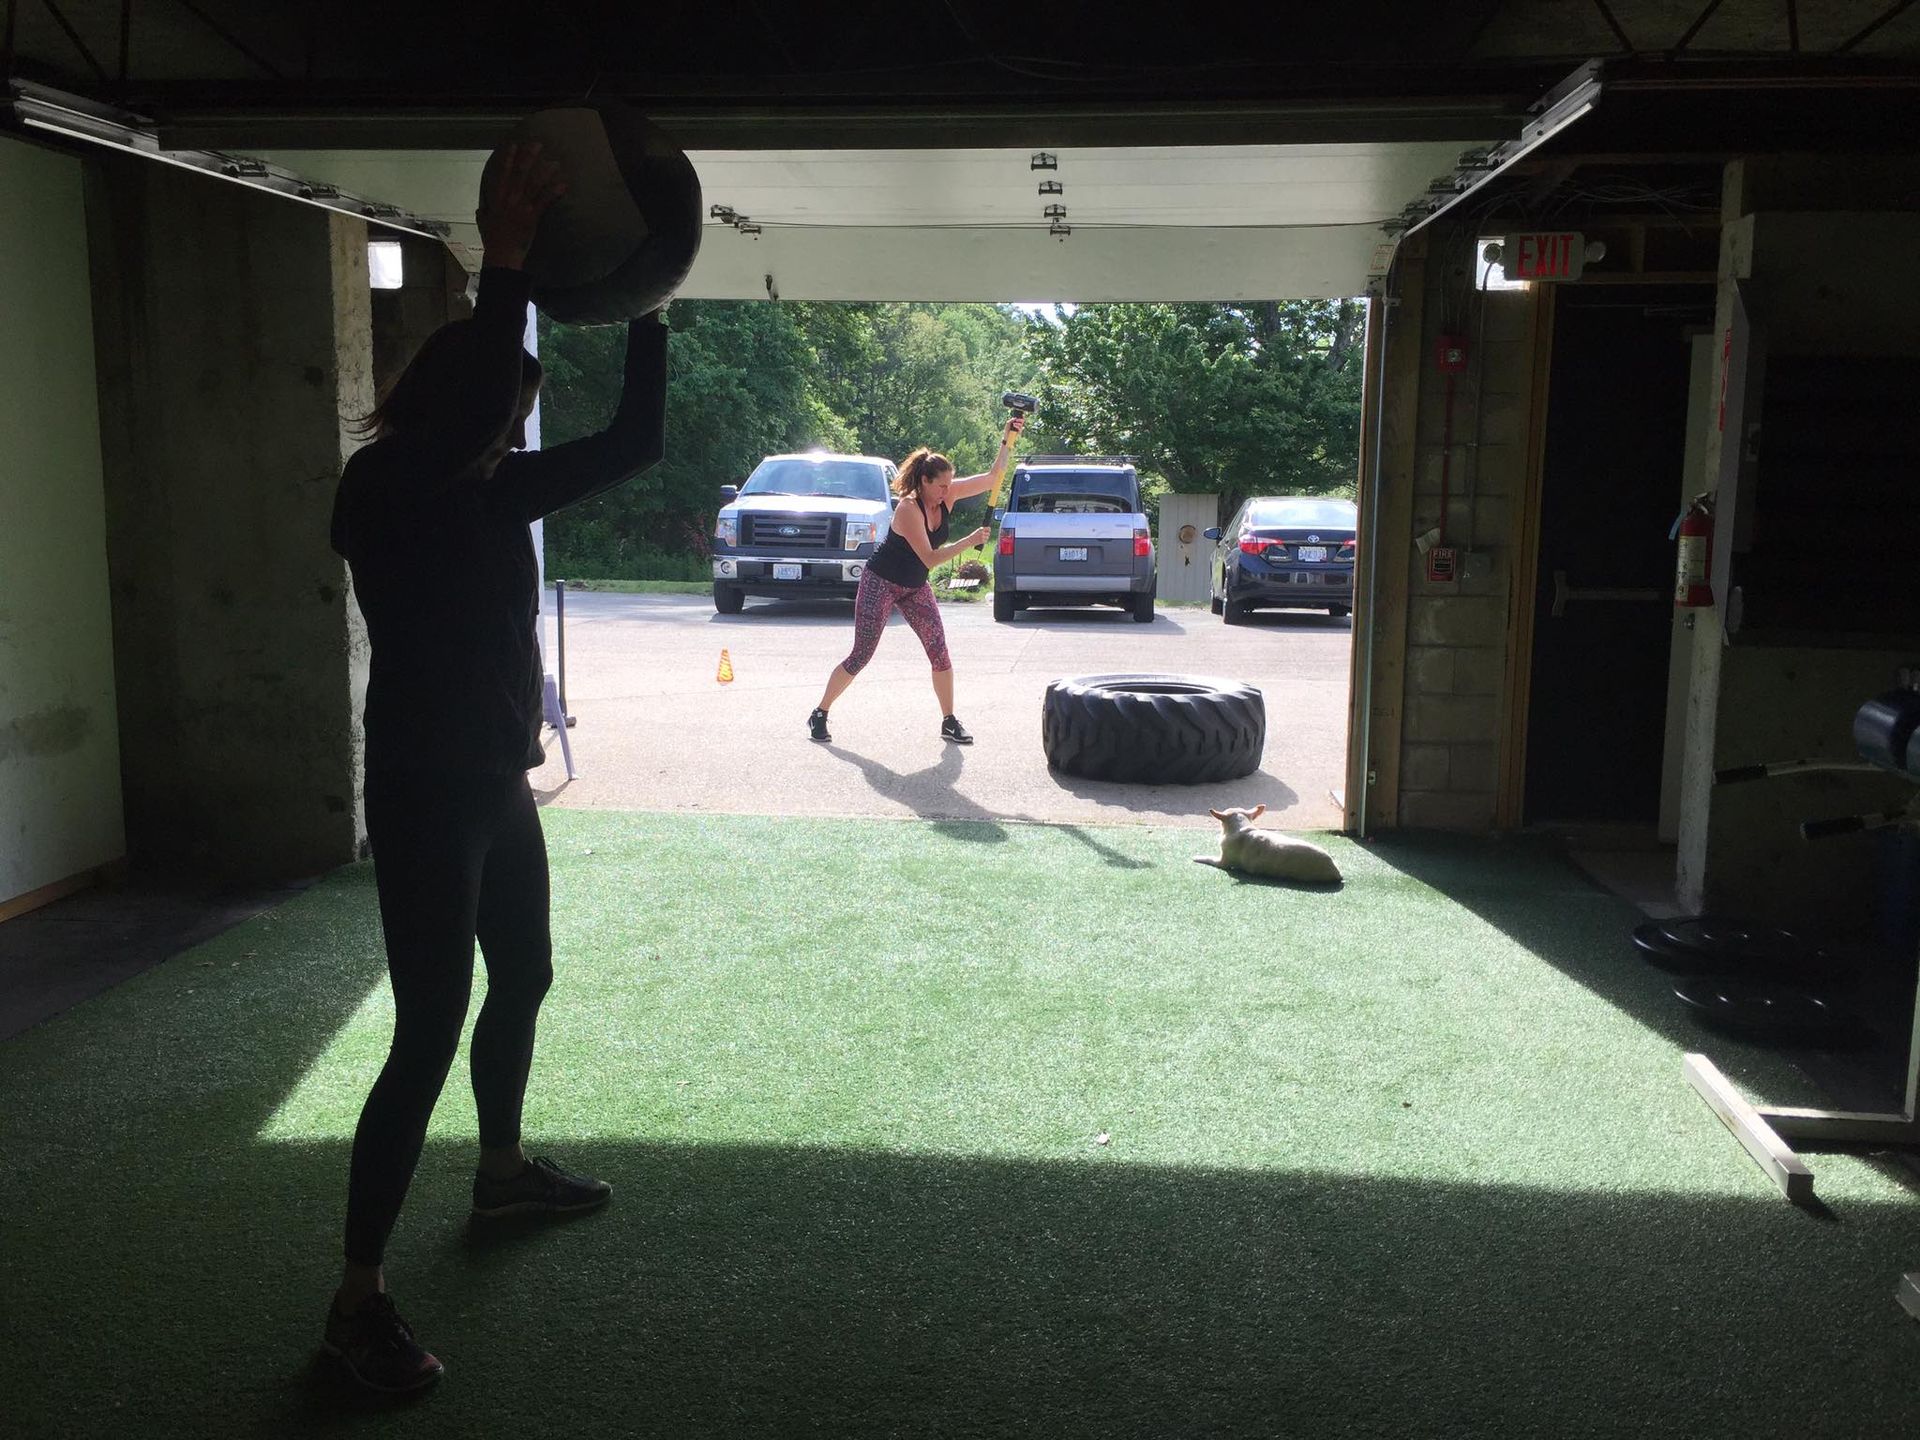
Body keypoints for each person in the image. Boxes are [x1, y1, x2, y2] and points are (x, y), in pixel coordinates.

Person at [321, 142, 668, 1394]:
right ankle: (354, 1304)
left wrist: (649, 300)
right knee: (426, 1028)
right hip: (421, 792)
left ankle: (504, 1170)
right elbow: (472, 411)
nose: (517, 425)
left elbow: (635, 440)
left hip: (493, 787)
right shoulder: (389, 487)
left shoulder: (487, 483)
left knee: (523, 970)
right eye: (509, 406)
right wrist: (506, 263)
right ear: (462, 401)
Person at [807, 416, 1025, 745]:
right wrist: (969, 540)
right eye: (940, 486)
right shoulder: (908, 509)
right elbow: (931, 558)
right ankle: (820, 712)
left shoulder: (946, 496)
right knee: (861, 654)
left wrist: (1007, 439)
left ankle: (949, 720)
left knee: (939, 650)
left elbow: (995, 477)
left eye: (949, 485)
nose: (947, 491)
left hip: (914, 587)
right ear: (924, 481)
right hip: (881, 582)